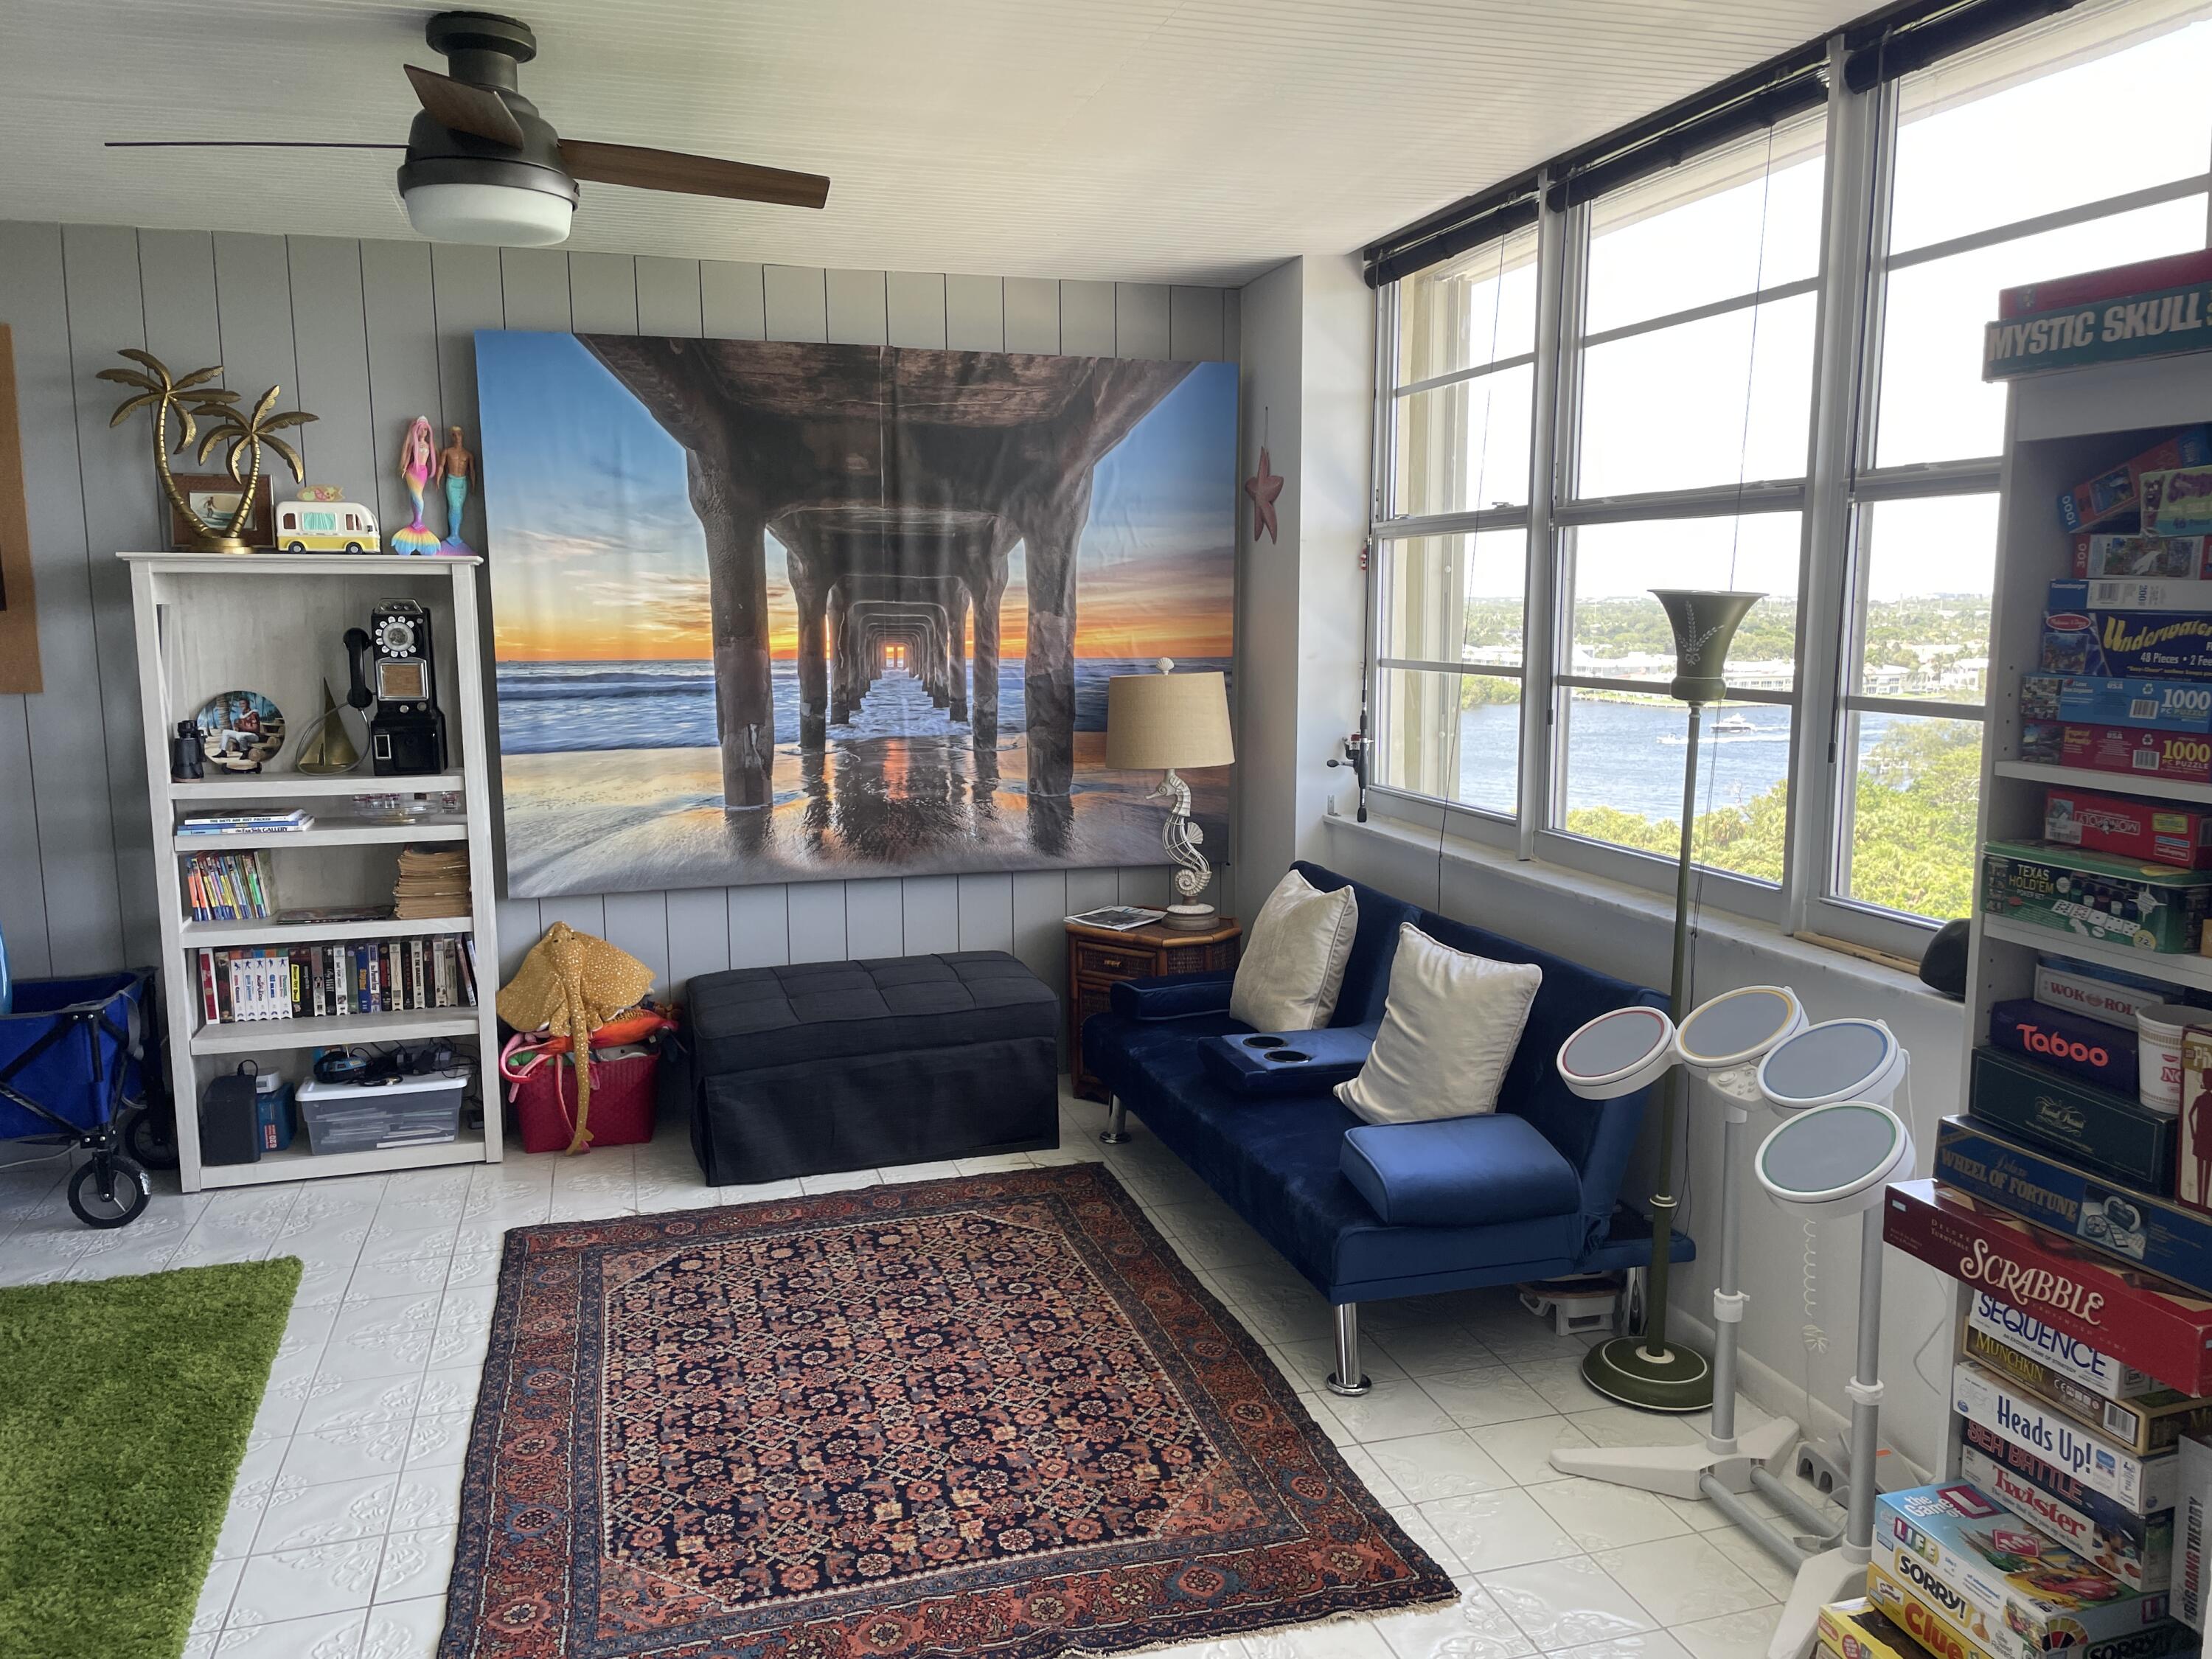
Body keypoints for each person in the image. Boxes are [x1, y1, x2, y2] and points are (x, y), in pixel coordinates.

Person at [393, 417, 439, 554]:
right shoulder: (414, 444)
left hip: (423, 471)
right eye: (421, 429)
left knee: (417, 496)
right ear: (416, 430)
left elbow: (435, 460)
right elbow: (407, 457)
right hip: (413, 470)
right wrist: (403, 468)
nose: (424, 432)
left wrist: (437, 475)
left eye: (426, 429)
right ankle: (417, 521)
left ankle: (418, 521)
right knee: (416, 495)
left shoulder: (429, 446)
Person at [435, 425, 476, 555]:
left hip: (462, 481)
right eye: (454, 435)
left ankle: (456, 534)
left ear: (462, 435)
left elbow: (472, 471)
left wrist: (474, 484)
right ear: (452, 437)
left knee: (459, 508)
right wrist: (437, 479)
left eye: (459, 434)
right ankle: (453, 535)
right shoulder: (447, 452)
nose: (457, 437)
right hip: (452, 481)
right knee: (454, 506)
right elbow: (441, 466)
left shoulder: (468, 454)